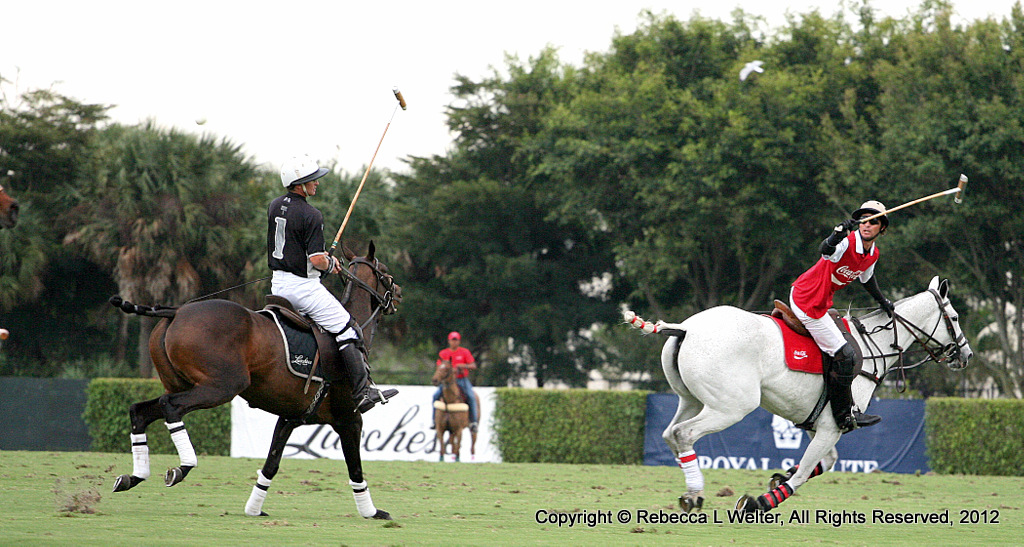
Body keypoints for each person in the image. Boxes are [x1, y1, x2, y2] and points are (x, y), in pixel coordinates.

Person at [267, 154, 396, 413]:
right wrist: (329, 264)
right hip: (303, 288)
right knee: (348, 328)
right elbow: (316, 259)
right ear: (300, 184)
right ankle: (363, 393)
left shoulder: (275, 205)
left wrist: (325, 259)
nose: (317, 183)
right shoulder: (311, 214)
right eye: (313, 180)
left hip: (277, 285)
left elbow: (297, 248)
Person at [790, 200, 895, 433]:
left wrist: (883, 301)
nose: (866, 225)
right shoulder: (847, 243)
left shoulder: (873, 254)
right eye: (863, 220)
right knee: (846, 355)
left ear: (882, 228)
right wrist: (836, 235)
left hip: (821, 301)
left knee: (844, 353)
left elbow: (867, 279)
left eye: (873, 221)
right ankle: (844, 415)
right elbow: (826, 251)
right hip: (807, 298)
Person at [432, 331, 479, 431]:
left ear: (459, 341)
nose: (454, 342)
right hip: (447, 382)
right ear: (449, 341)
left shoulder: (464, 352)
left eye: (456, 340)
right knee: (435, 396)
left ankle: (473, 422)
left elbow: (473, 365)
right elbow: (439, 366)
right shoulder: (443, 353)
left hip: (461, 379)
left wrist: (463, 366)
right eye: (452, 340)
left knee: (471, 396)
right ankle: (434, 421)